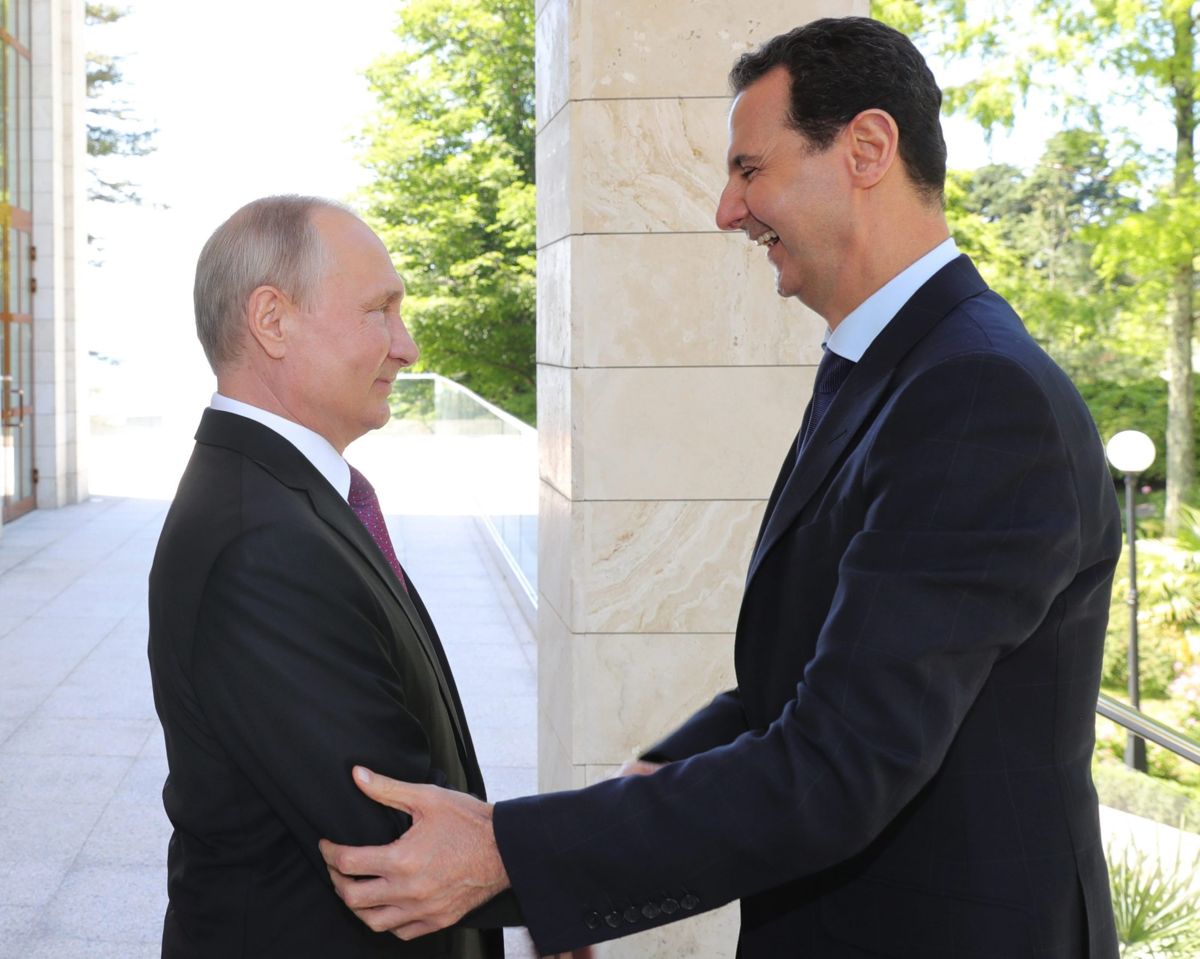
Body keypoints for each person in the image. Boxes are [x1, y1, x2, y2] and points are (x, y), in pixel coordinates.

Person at [319, 18, 1122, 958]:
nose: (727, 210)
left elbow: (838, 765)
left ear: (867, 147)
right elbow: (808, 678)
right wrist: (637, 790)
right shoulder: (891, 367)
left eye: (750, 169)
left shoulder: (976, 395)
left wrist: (515, 857)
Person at [148, 195, 517, 958]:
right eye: (380, 311)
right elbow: (396, 835)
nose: (407, 347)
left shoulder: (289, 499)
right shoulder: (261, 540)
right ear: (272, 321)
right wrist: (558, 884)